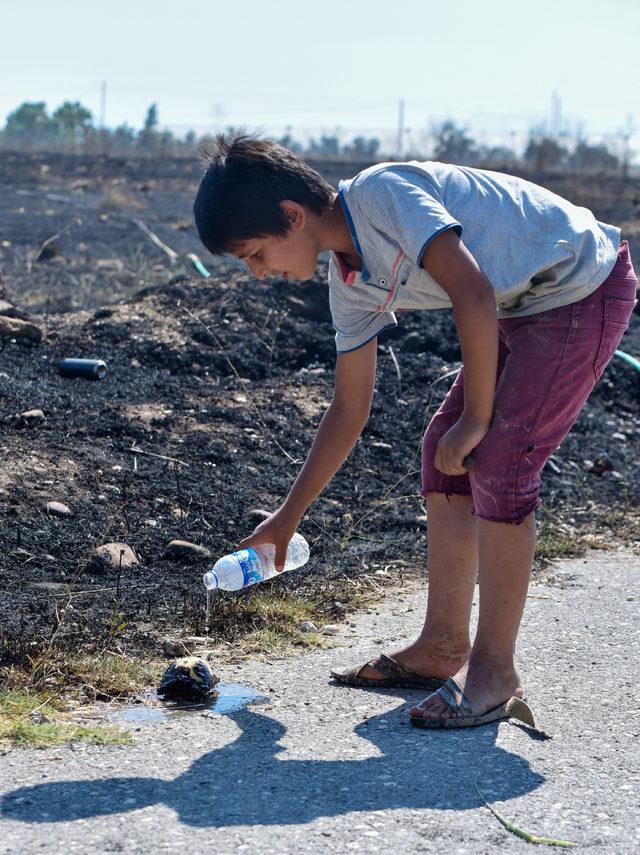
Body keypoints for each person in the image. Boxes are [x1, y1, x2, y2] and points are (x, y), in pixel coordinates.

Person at [193, 135, 637, 729]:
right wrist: (285, 521)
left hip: (582, 281)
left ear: (291, 216)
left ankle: (494, 673)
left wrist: (477, 419)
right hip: (522, 303)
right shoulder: (349, 284)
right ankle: (443, 647)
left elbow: (471, 290)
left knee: (500, 459)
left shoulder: (381, 194)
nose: (256, 273)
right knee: (441, 449)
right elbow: (349, 410)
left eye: (253, 254)